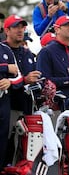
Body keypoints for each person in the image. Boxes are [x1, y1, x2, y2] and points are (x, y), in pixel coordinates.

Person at [36, 15, 69, 102]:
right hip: (55, 105)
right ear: (57, 29)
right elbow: (43, 81)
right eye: (67, 25)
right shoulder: (46, 51)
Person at [3, 15, 41, 116]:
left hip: (26, 105)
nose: (20, 30)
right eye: (16, 27)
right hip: (7, 106)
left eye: (22, 27)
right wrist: (25, 79)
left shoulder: (27, 53)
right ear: (7, 31)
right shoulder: (2, 50)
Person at [0, 41, 23, 171]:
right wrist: (5, 68)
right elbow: (9, 68)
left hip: (3, 100)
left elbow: (19, 76)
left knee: (3, 138)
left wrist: (9, 81)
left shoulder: (5, 49)